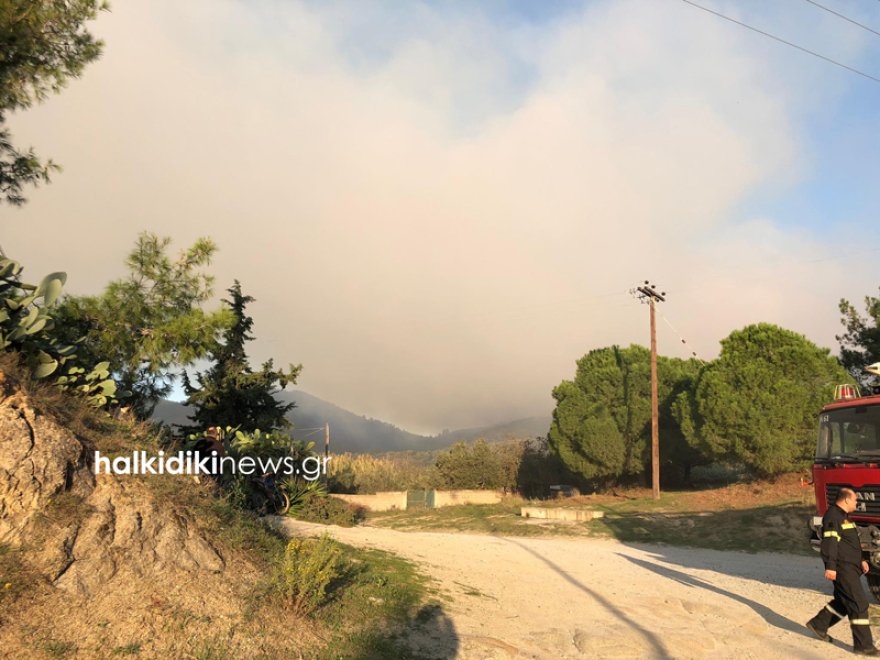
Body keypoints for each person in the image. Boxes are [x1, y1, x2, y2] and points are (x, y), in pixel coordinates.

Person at [807, 487, 879, 655]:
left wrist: (861, 559)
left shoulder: (844, 517)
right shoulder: (833, 516)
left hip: (851, 566)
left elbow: (850, 543)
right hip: (842, 567)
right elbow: (829, 543)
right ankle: (864, 646)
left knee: (843, 600)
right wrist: (830, 566)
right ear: (846, 500)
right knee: (858, 603)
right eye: (855, 500)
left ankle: (818, 624)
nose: (856, 502)